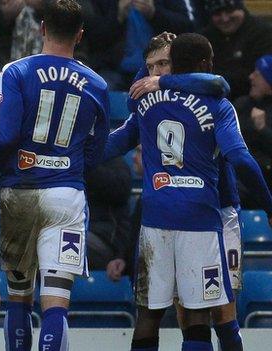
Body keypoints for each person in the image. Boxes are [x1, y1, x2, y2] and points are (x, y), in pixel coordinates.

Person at [110, 33, 272, 351]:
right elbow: (134, 101)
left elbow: (217, 83)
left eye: (163, 64)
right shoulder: (162, 97)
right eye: (150, 67)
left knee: (222, 312)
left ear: (179, 63)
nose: (156, 73)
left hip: (220, 210)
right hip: (195, 211)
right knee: (191, 310)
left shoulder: (206, 91)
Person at [0, 1, 110, 350]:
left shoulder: (15, 71)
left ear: (42, 28)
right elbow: (96, 151)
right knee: (56, 302)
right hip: (66, 194)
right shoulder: (97, 83)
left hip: (20, 191)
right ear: (80, 34)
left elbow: (5, 138)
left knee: (19, 297)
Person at [201, 0, 272, 99]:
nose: (225, 19)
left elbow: (262, 75)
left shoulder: (264, 34)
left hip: (253, 100)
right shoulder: (205, 38)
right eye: (218, 14)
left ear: (241, 9)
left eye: (229, 11)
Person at [233, 55, 272, 195]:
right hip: (237, 175)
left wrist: (262, 129)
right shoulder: (242, 104)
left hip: (265, 180)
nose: (251, 77)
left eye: (258, 74)